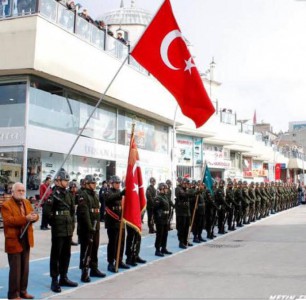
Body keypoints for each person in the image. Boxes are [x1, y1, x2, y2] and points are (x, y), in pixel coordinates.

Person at [2, 182, 39, 299]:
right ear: (13, 192)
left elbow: (34, 215)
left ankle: (23, 291)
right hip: (14, 240)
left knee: (25, 268)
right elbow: (9, 221)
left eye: (23, 190)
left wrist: (34, 217)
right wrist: (25, 218)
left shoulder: (27, 202)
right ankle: (13, 295)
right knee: (15, 270)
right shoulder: (6, 205)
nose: (22, 192)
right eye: (19, 190)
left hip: (26, 239)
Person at [43, 169, 78, 293]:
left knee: (66, 255)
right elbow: (47, 213)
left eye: (68, 180)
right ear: (58, 181)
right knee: (56, 255)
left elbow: (72, 211)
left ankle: (64, 277)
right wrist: (55, 223)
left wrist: (71, 226)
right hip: (58, 229)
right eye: (65, 180)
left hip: (68, 229)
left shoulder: (68, 194)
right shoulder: (53, 194)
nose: (67, 182)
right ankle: (54, 280)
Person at [77, 175, 106, 282]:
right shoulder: (83, 195)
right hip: (87, 228)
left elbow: (96, 211)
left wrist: (97, 226)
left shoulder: (94, 194)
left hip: (95, 227)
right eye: (92, 183)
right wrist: (90, 227)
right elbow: (85, 213)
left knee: (94, 248)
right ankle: (84, 272)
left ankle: (94, 269)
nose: (94, 185)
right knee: (86, 250)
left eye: (95, 183)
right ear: (87, 184)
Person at [104, 175, 130, 273]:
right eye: (116, 183)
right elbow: (109, 199)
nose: (118, 185)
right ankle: (111, 262)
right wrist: (121, 193)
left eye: (119, 183)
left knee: (121, 242)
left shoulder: (119, 192)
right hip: (112, 222)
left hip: (120, 221)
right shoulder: (108, 191)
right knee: (113, 243)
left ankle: (119, 260)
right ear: (112, 183)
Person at [153, 182, 173, 256]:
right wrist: (158, 216)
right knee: (159, 235)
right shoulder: (158, 197)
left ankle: (163, 248)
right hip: (160, 219)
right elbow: (155, 209)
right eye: (166, 188)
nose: (167, 190)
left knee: (165, 234)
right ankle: (157, 250)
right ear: (162, 189)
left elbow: (169, 204)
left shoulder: (165, 196)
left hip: (165, 218)